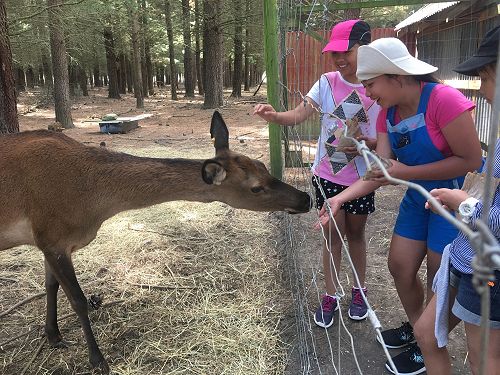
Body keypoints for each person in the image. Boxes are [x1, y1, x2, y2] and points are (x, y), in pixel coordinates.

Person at [317, 37, 483, 374]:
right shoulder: (387, 115)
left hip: (452, 201)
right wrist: (339, 198)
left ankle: (430, 345)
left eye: (371, 85)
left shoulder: (444, 100)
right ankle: (418, 327)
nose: (368, 93)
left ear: (397, 76)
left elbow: (469, 159)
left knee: (441, 280)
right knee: (400, 266)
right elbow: (383, 171)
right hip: (416, 197)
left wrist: (407, 172)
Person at [254, 19, 381, 328]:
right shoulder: (326, 82)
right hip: (326, 177)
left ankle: (359, 291)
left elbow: (383, 136)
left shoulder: (377, 86)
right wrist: (275, 116)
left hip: (362, 179)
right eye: (334, 53)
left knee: (356, 235)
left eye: (346, 51)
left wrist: (370, 144)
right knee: (331, 238)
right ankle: (330, 294)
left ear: (364, 48)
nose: (339, 59)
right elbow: (300, 113)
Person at [413, 25, 500, 375]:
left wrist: (462, 200)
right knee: (426, 333)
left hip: (489, 267)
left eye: (486, 76)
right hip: (468, 256)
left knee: (485, 359)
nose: (482, 89)